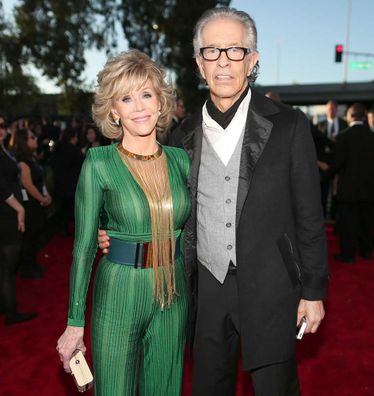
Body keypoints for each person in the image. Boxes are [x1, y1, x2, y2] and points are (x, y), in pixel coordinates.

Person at [99, 7, 328, 396]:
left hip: (273, 286)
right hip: (204, 288)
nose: (223, 61)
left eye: (235, 51)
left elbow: (310, 215)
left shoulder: (290, 126)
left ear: (252, 61)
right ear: (198, 65)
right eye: (211, 51)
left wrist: (314, 290)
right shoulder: (178, 137)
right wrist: (118, 236)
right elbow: (159, 206)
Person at [56, 49, 191, 396]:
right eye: (126, 98)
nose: (140, 106)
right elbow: (84, 247)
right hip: (118, 291)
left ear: (161, 102)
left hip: (173, 292)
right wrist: (74, 323)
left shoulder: (181, 161)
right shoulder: (98, 163)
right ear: (113, 111)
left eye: (147, 94)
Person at [318, 103, 374, 263]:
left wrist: (323, 176)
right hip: (368, 188)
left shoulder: (343, 136)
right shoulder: (373, 137)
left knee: (348, 224)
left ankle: (348, 255)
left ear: (350, 116)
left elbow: (338, 163)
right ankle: (366, 252)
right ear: (363, 117)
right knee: (366, 223)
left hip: (348, 189)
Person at [0, 122, 37, 324]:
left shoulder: (4, 149)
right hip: (6, 213)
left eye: (3, 125)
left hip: (8, 211)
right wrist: (20, 208)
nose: (1, 129)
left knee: (5, 266)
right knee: (8, 267)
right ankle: (11, 314)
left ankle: (5, 306)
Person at [12, 128, 52, 278]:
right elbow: (28, 186)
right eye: (32, 137)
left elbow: (40, 182)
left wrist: (46, 195)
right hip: (29, 205)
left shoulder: (32, 159)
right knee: (29, 236)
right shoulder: (22, 163)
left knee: (35, 234)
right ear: (24, 141)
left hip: (37, 203)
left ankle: (31, 264)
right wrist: (43, 199)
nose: (35, 139)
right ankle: (27, 267)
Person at [50, 128, 84, 235]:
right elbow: (83, 164)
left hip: (59, 184)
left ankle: (63, 229)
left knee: (62, 209)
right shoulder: (74, 150)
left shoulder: (57, 148)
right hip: (72, 185)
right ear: (72, 138)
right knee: (72, 209)